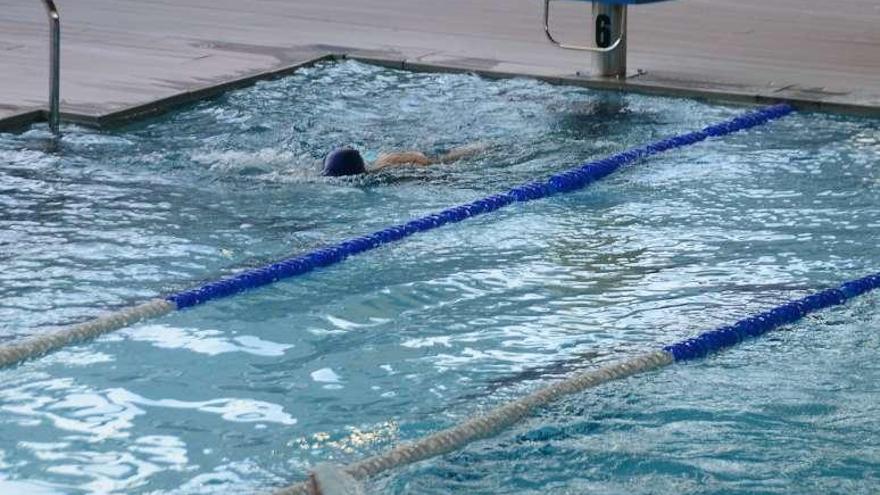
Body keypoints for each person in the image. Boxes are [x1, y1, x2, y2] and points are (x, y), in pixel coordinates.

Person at [321, 143, 486, 177]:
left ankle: (483, 146)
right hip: (391, 156)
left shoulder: (389, 170)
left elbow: (422, 167)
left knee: (442, 161)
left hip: (416, 160)